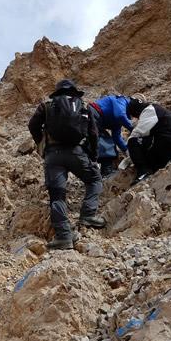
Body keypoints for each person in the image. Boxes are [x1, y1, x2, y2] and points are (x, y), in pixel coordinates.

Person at [28, 79, 106, 250]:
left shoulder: (46, 106)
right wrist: (93, 156)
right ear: (74, 92)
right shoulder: (83, 106)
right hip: (77, 153)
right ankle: (88, 215)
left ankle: (64, 237)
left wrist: (42, 142)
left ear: (57, 93)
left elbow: (32, 125)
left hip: (53, 157)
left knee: (57, 196)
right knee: (94, 180)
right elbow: (93, 133)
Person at [126, 97, 171, 184]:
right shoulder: (157, 109)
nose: (137, 118)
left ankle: (143, 171)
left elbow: (136, 134)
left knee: (132, 141)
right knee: (147, 146)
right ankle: (153, 168)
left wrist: (130, 155)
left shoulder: (148, 111)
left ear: (136, 112)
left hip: (169, 146)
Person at [88, 95, 134, 177]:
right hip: (93, 114)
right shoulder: (122, 101)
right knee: (105, 142)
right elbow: (120, 115)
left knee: (107, 141)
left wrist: (126, 150)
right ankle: (106, 171)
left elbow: (117, 137)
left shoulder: (119, 117)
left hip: (96, 119)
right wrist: (133, 129)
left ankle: (104, 170)